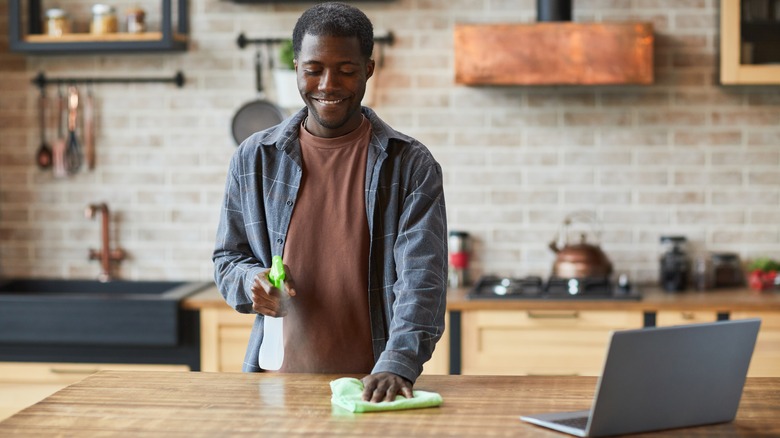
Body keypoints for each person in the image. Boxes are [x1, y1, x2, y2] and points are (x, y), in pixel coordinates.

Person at [212, 2, 448, 403]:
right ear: (297, 68)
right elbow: (227, 258)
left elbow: (422, 282)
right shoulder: (254, 158)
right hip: (275, 384)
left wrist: (397, 364)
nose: (327, 84)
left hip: (373, 385)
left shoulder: (411, 164)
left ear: (368, 70)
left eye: (346, 70)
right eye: (314, 69)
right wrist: (249, 282)